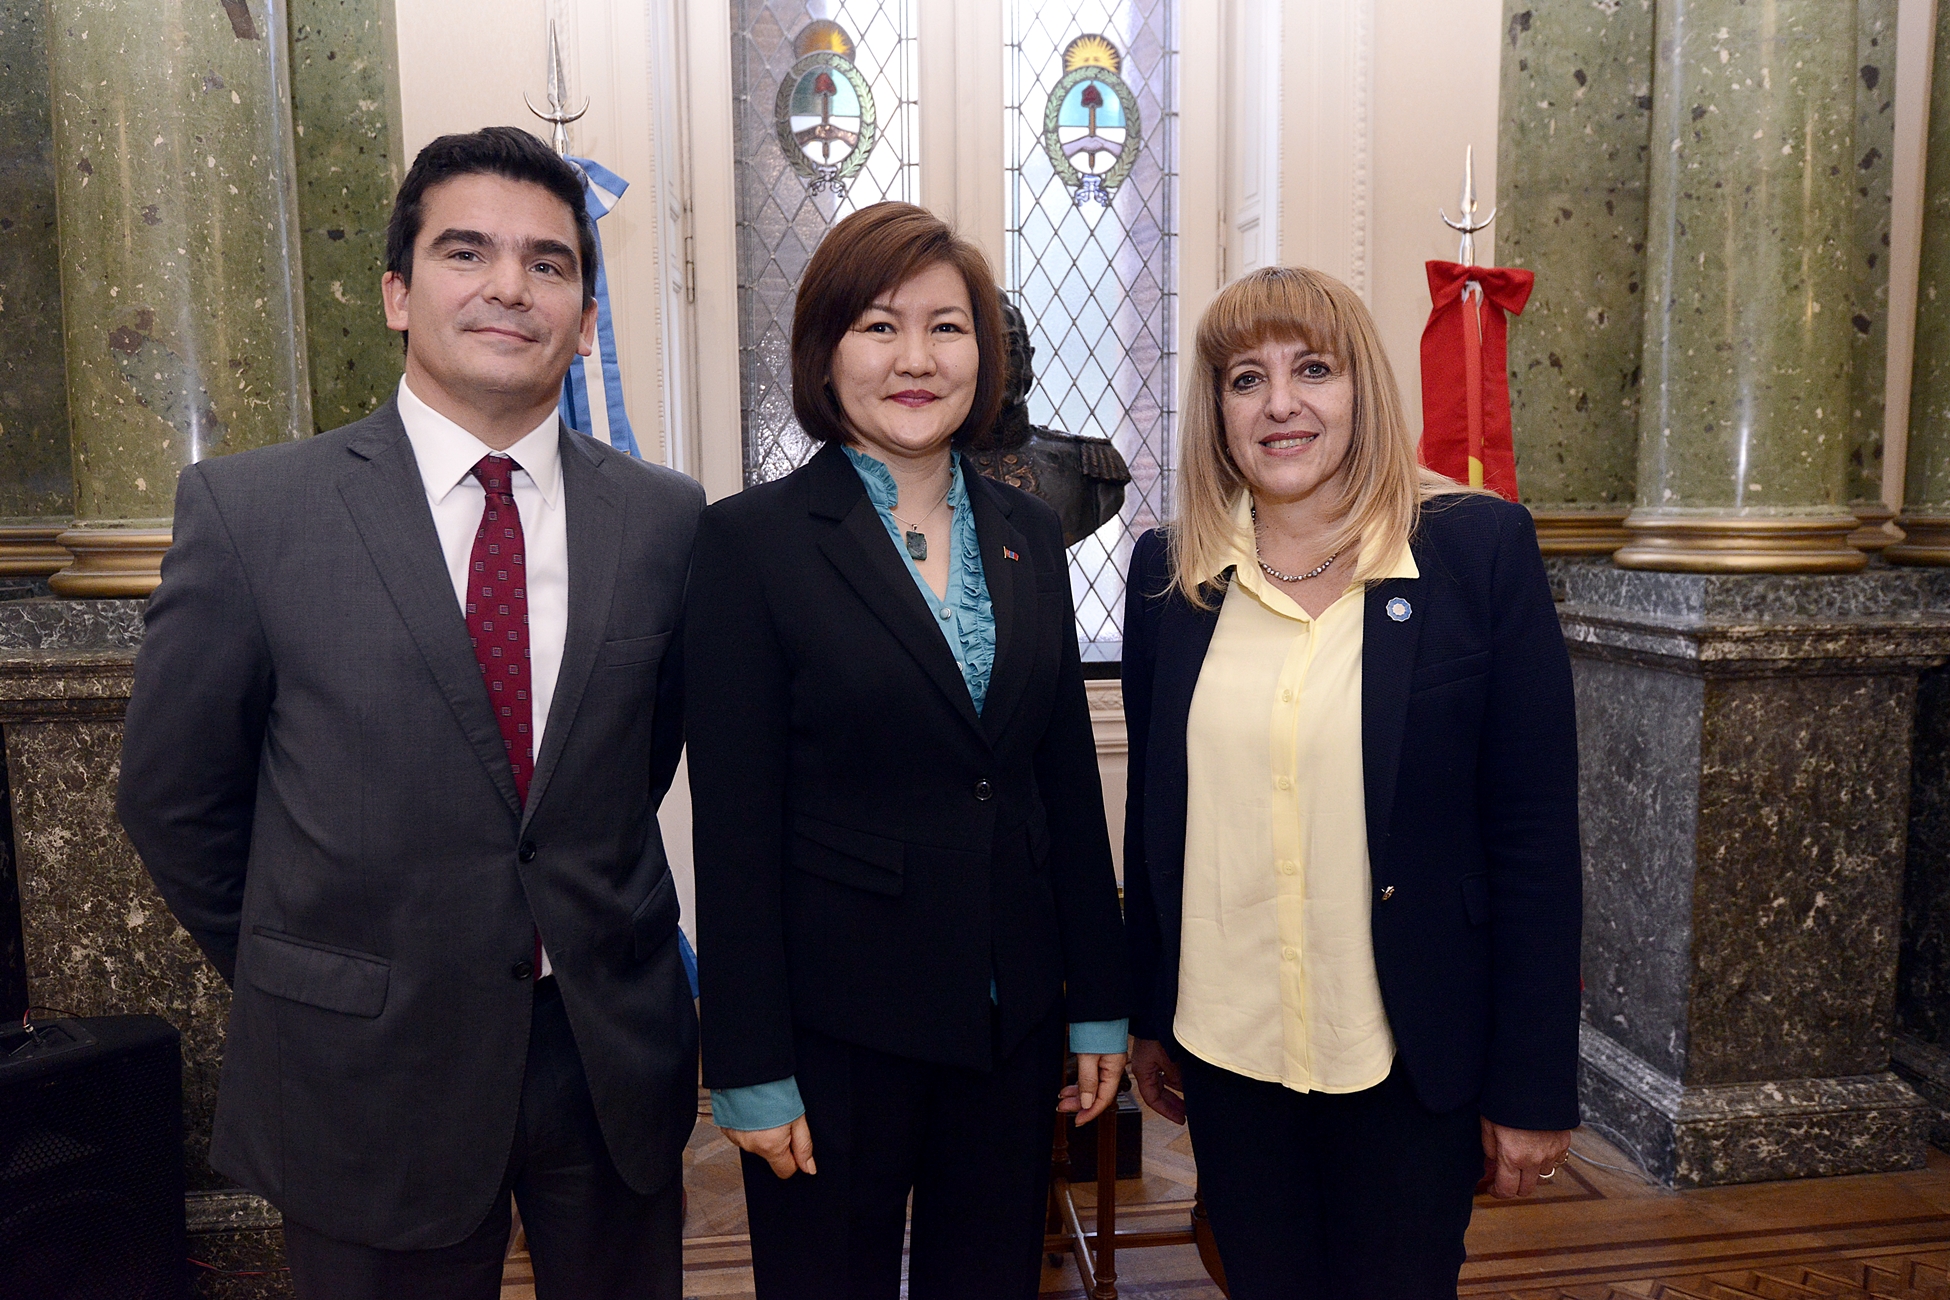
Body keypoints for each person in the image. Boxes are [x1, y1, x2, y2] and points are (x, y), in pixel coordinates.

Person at [117, 127, 704, 1300]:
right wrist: (315, 963)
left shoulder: (665, 519)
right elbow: (176, 800)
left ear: (584, 312)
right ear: (396, 292)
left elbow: (630, 766)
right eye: (466, 251)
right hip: (363, 1067)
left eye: (549, 262)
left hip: (602, 1052)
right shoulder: (252, 512)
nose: (508, 286)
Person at [684, 201, 1129, 1300]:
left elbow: (1062, 783)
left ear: (985, 352)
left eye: (948, 327)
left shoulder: (1030, 536)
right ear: (826, 350)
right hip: (835, 1032)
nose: (918, 359)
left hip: (1012, 1018)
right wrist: (745, 1063)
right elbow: (732, 828)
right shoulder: (750, 544)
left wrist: (1096, 999)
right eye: (881, 326)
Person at [1120, 266, 1582, 1298]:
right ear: (1219, 409)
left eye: (1312, 369)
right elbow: (1161, 824)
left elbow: (1536, 838)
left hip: (1409, 1058)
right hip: (1232, 1052)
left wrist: (1533, 1080)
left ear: (1361, 388)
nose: (1281, 402)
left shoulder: (1476, 551)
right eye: (1247, 378)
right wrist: (1151, 1012)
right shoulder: (1172, 575)